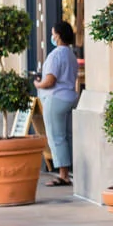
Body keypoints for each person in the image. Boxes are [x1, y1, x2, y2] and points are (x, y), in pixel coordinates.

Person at [37, 20, 80, 187]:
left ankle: (63, 175)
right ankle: (69, 172)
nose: (52, 36)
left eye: (53, 33)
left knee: (57, 138)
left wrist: (38, 84)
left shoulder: (56, 54)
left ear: (59, 36)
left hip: (56, 99)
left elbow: (50, 80)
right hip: (70, 98)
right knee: (68, 137)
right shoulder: (71, 55)